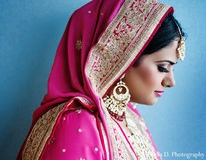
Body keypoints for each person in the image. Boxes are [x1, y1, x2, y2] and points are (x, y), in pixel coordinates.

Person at [17, 0, 185, 159]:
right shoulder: (77, 122)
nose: (171, 81)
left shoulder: (130, 116)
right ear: (122, 58)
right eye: (162, 68)